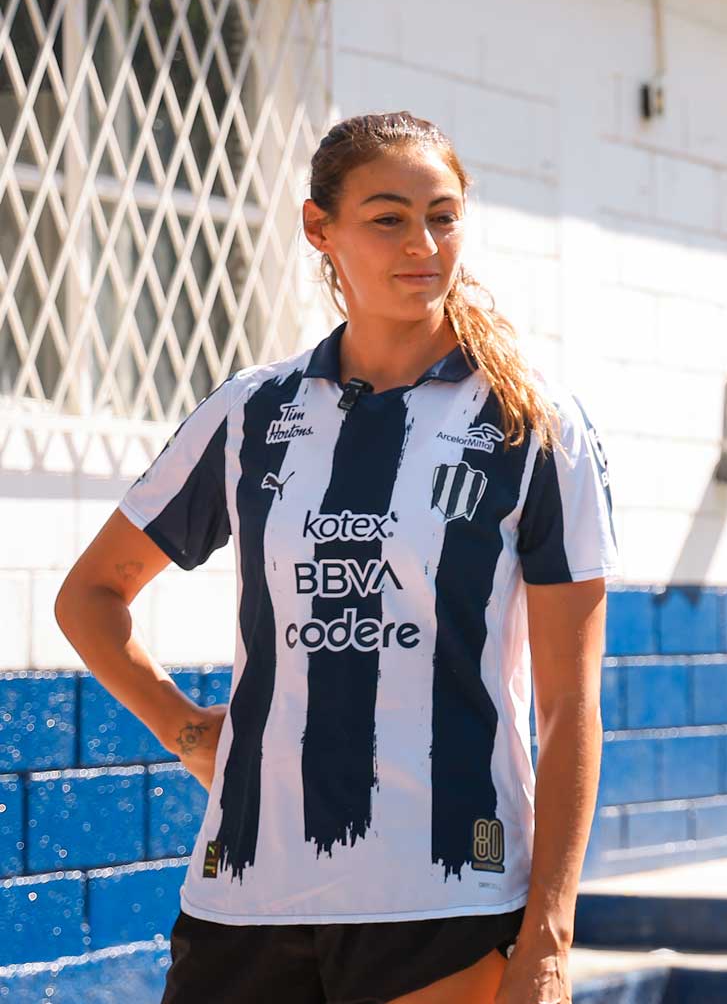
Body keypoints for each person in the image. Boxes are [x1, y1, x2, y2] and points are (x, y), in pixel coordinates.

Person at [54, 112, 618, 1004]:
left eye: (443, 214)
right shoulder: (251, 412)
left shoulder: (533, 422)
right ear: (321, 229)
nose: (423, 244)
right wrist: (184, 730)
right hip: (241, 898)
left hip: (446, 897)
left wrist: (549, 934)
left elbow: (570, 704)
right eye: (388, 217)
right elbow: (91, 594)